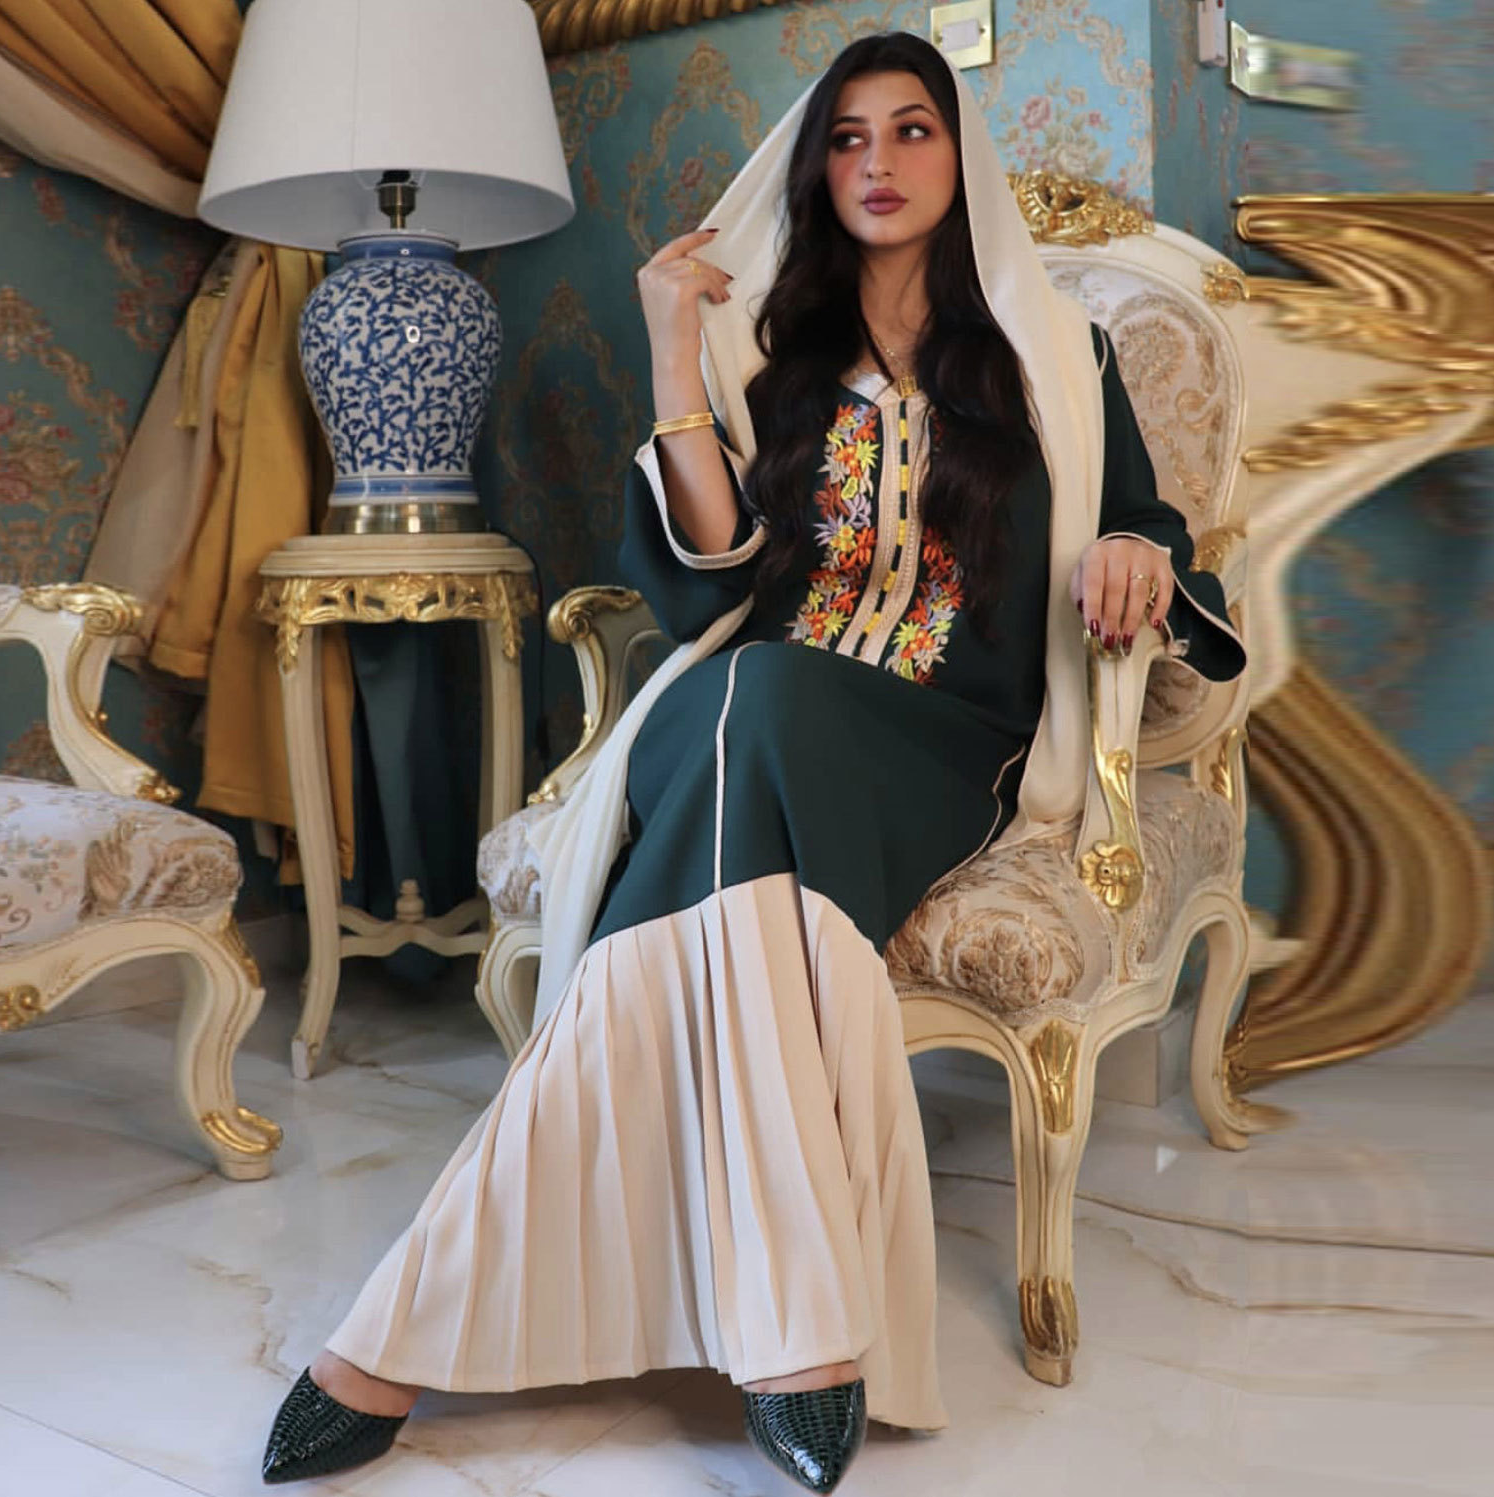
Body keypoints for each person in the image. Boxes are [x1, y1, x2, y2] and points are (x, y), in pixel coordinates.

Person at [260, 31, 1244, 1494]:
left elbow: (1146, 520)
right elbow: (705, 574)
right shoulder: (765, 356)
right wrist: (671, 349)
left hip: (937, 739)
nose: (877, 163)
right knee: (751, 691)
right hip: (737, 702)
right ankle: (798, 1337)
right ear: (815, 168)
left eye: (910, 130)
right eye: (846, 138)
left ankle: (403, 1333)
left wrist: (1127, 546)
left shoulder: (1055, 351)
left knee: (754, 731)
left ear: (958, 155)